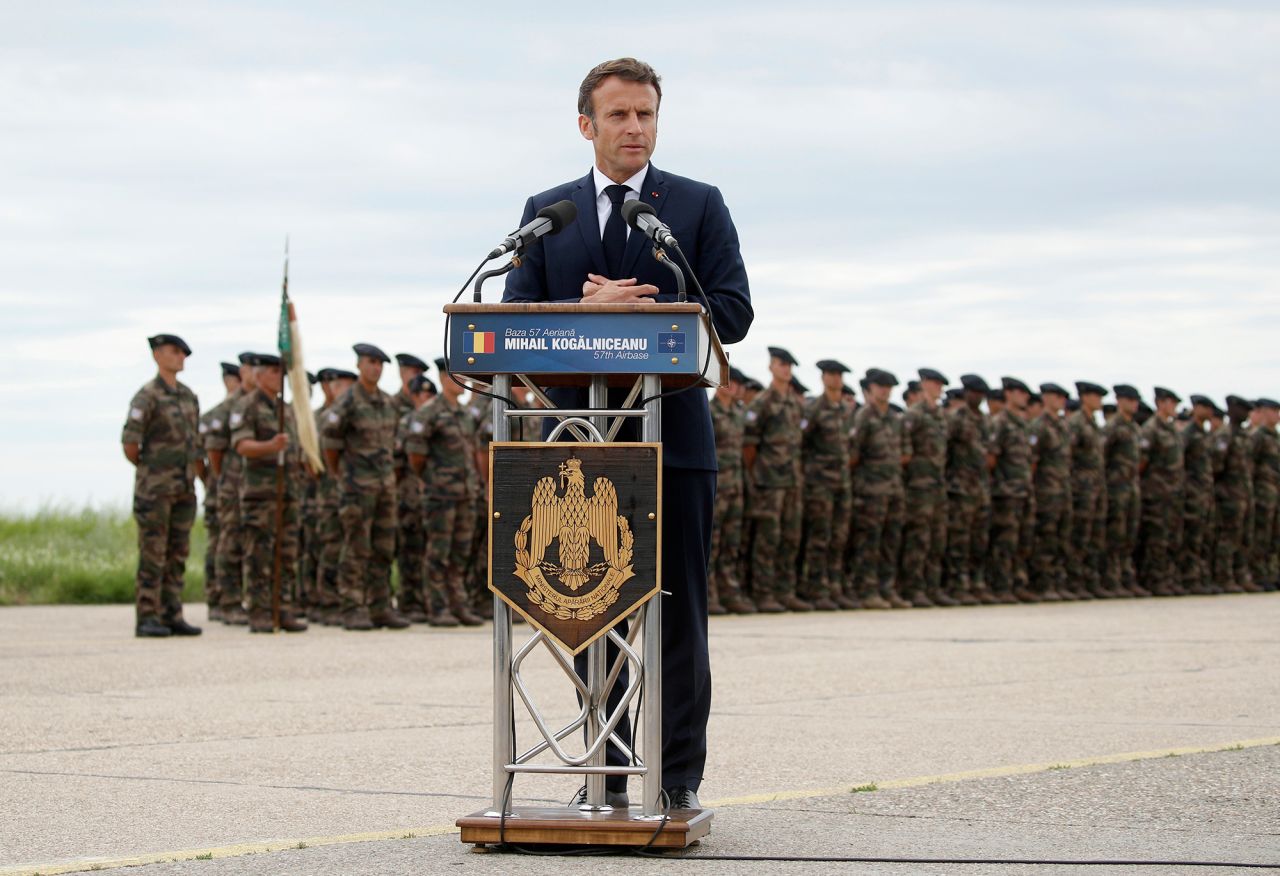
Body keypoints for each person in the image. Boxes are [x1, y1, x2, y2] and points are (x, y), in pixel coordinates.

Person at [501, 57, 753, 811]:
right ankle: (607, 772)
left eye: (645, 114)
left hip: (672, 445)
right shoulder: (551, 212)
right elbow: (512, 320)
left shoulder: (696, 207)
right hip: (579, 451)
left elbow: (733, 313)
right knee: (589, 613)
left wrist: (648, 310)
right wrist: (591, 311)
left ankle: (674, 779)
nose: (634, 128)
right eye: (618, 115)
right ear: (587, 125)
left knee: (676, 617)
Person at [321, 343, 411, 631]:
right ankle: (352, 607)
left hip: (384, 488)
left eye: (380, 363)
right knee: (356, 547)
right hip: (356, 488)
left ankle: (380, 606)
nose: (376, 368)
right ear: (360, 365)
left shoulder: (387, 403)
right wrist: (343, 477)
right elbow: (330, 444)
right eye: (371, 362)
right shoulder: (347, 402)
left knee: (384, 548)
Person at [121, 334, 203, 637]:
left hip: (184, 487)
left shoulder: (188, 396)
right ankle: (147, 616)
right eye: (174, 352)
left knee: (177, 552)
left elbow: (195, 442)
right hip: (155, 490)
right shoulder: (147, 396)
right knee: (153, 552)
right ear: (157, 355)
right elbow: (131, 444)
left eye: (183, 353)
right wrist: (152, 470)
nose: (180, 357)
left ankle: (172, 613)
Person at [230, 354, 309, 632]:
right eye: (273, 372)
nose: (279, 377)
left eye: (281, 372)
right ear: (259, 375)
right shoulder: (247, 406)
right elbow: (242, 446)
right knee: (259, 554)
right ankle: (260, 611)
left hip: (287, 491)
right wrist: (269, 446)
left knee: (286, 553)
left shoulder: (285, 409)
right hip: (261, 494)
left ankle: (283, 608)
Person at [405, 362, 484, 627]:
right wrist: (431, 481)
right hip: (440, 495)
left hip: (465, 493)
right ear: (443, 378)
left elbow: (472, 452)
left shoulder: (465, 414)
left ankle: (458, 604)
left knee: (460, 553)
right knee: (438, 553)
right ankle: (437, 607)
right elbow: (416, 455)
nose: (462, 380)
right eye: (457, 376)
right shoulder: (429, 412)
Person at [744, 347, 808, 613]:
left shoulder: (794, 403)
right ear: (771, 367)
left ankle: (785, 591)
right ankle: (763, 593)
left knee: (791, 538)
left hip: (792, 481)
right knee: (768, 539)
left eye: (789, 366)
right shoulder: (763, 402)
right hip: (770, 482)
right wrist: (759, 474)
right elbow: (749, 446)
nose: (786, 369)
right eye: (781, 364)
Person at [208, 352, 258, 625]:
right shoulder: (228, 408)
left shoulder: (262, 405)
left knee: (252, 544)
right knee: (230, 543)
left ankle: (250, 599)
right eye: (249, 370)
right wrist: (224, 479)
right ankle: (226, 601)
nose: (253, 375)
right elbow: (213, 450)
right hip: (231, 485)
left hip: (255, 487)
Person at [850, 368, 907, 609]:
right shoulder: (864, 416)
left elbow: (905, 452)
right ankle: (867, 590)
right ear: (870, 389)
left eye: (888, 387)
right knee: (869, 542)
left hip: (893, 488)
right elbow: (853, 454)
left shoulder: (895, 419)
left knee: (890, 541)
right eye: (880, 386)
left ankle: (887, 588)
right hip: (871, 490)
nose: (885, 391)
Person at [899, 368, 953, 607]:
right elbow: (903, 453)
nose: (937, 388)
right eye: (933, 383)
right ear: (923, 385)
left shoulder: (940, 416)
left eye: (940, 384)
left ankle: (932, 586)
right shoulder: (914, 415)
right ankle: (913, 587)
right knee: (918, 538)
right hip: (918, 487)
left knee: (937, 539)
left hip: (937, 485)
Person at [198, 361, 242, 620]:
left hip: (242, 490)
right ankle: (216, 597)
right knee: (219, 544)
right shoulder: (214, 415)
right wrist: (212, 479)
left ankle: (234, 597)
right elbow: (199, 454)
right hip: (221, 490)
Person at [709, 368, 754, 614]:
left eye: (739, 384)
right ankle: (710, 593)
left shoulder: (739, 413)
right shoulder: (710, 411)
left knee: (731, 542)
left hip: (735, 485)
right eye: (733, 383)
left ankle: (729, 590)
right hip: (719, 486)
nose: (737, 388)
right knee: (713, 542)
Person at [943, 374, 991, 605]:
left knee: (979, 539)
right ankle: (957, 584)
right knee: (959, 539)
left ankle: (976, 582)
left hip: (980, 488)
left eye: (982, 394)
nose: (979, 398)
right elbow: (944, 451)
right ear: (966, 393)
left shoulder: (984, 420)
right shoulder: (956, 419)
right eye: (975, 393)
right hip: (960, 488)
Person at [986, 377, 1034, 603]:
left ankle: (1018, 582)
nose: (1025, 397)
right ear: (1009, 394)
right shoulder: (1000, 423)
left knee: (1022, 540)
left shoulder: (1023, 424)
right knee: (1005, 540)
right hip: (1006, 491)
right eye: (1020, 393)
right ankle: (1001, 584)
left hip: (1023, 490)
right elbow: (991, 459)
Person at [1137, 387, 1185, 595]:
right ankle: (1153, 580)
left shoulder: (1172, 429)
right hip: (1156, 493)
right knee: (1156, 538)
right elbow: (1141, 463)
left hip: (1173, 494)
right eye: (1172, 403)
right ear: (1161, 403)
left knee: (1171, 537)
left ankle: (1167, 577)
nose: (1175, 407)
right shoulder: (1151, 429)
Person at [1029, 383, 1071, 600]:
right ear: (1046, 398)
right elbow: (1032, 463)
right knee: (1045, 537)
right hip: (1046, 491)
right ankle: (1042, 584)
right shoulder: (1039, 426)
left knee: (1060, 538)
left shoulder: (1063, 426)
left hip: (1062, 490)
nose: (1062, 401)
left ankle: (1056, 582)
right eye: (1057, 396)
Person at [1104, 385, 1146, 597]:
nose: (1134, 404)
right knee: (1115, 534)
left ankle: (1126, 577)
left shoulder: (1135, 429)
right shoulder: (1112, 427)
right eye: (1130, 400)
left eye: (1135, 400)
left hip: (1132, 488)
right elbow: (1102, 458)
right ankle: (1112, 579)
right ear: (1119, 401)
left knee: (1130, 534)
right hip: (1116, 489)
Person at [1068, 382, 1109, 598]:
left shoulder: (1093, 423)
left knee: (1095, 535)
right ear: (1085, 397)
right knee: (1080, 535)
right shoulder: (1076, 423)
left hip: (1096, 488)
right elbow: (1069, 457)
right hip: (1081, 488)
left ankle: (1089, 580)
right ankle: (1075, 582)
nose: (1100, 401)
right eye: (1096, 396)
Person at [1180, 394, 1216, 594]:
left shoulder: (1204, 434)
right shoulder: (1187, 433)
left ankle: (1201, 577)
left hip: (1205, 493)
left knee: (1204, 536)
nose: (1210, 413)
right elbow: (1179, 462)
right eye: (1207, 408)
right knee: (1192, 536)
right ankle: (1189, 577)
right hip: (1192, 492)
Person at [1248, 397, 1279, 591]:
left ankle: (1272, 572)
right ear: (1264, 412)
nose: (1277, 415)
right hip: (1261, 492)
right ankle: (1259, 574)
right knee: (1261, 534)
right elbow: (1249, 465)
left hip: (1274, 493)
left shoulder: (1274, 437)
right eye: (1274, 411)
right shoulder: (1257, 436)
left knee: (1275, 534)